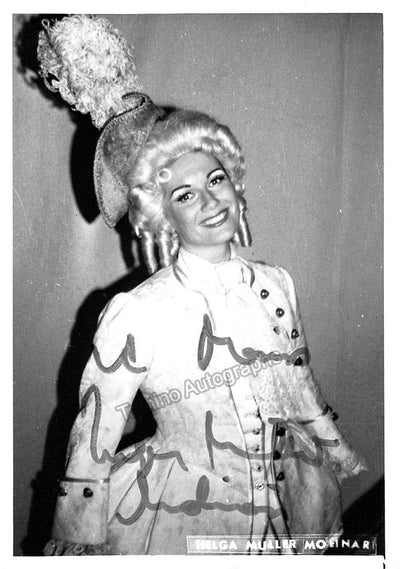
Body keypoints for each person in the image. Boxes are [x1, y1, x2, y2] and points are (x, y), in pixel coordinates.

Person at [37, 15, 366, 556]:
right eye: (185, 194)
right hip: (180, 515)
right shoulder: (136, 312)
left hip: (290, 505)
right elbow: (93, 440)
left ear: (235, 184)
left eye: (216, 180)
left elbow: (300, 389)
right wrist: (77, 539)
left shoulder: (276, 284)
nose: (211, 202)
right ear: (162, 216)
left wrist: (326, 453)